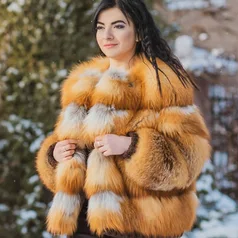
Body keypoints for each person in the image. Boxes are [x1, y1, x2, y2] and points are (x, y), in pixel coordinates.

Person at [35, 0, 212, 237]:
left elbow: (188, 159)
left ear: (138, 32)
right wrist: (54, 155)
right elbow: (63, 152)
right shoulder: (80, 84)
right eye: (100, 27)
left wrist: (132, 147)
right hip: (82, 224)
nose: (106, 34)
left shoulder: (161, 83)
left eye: (118, 26)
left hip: (138, 225)